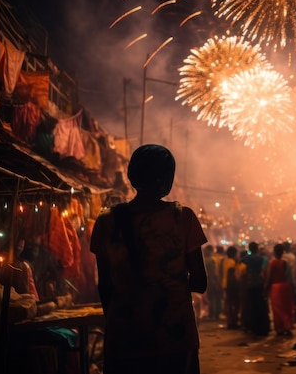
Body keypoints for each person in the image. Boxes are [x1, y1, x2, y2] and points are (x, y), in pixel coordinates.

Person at [90, 144, 208, 374]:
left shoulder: (106, 222)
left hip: (124, 339)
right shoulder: (182, 217)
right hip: (175, 339)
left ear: (132, 175)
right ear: (167, 178)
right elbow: (200, 283)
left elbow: (105, 286)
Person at [241, 242, 270, 335]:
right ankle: (261, 326)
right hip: (259, 283)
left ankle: (252, 326)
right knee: (260, 305)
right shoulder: (261, 259)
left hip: (249, 284)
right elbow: (263, 271)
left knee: (251, 306)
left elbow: (242, 270)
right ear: (257, 249)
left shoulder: (245, 259)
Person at [265, 243, 294, 336]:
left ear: (274, 252)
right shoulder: (285, 262)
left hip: (276, 287)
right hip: (285, 286)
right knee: (285, 308)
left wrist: (265, 289)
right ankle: (287, 325)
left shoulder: (272, 262)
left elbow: (269, 277)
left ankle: (281, 328)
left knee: (277, 309)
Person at [221, 246, 240, 329]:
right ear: (233, 254)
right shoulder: (232, 262)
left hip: (225, 284)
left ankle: (230, 322)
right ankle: (232, 322)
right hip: (231, 285)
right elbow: (231, 275)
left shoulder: (225, 261)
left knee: (228, 304)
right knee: (233, 304)